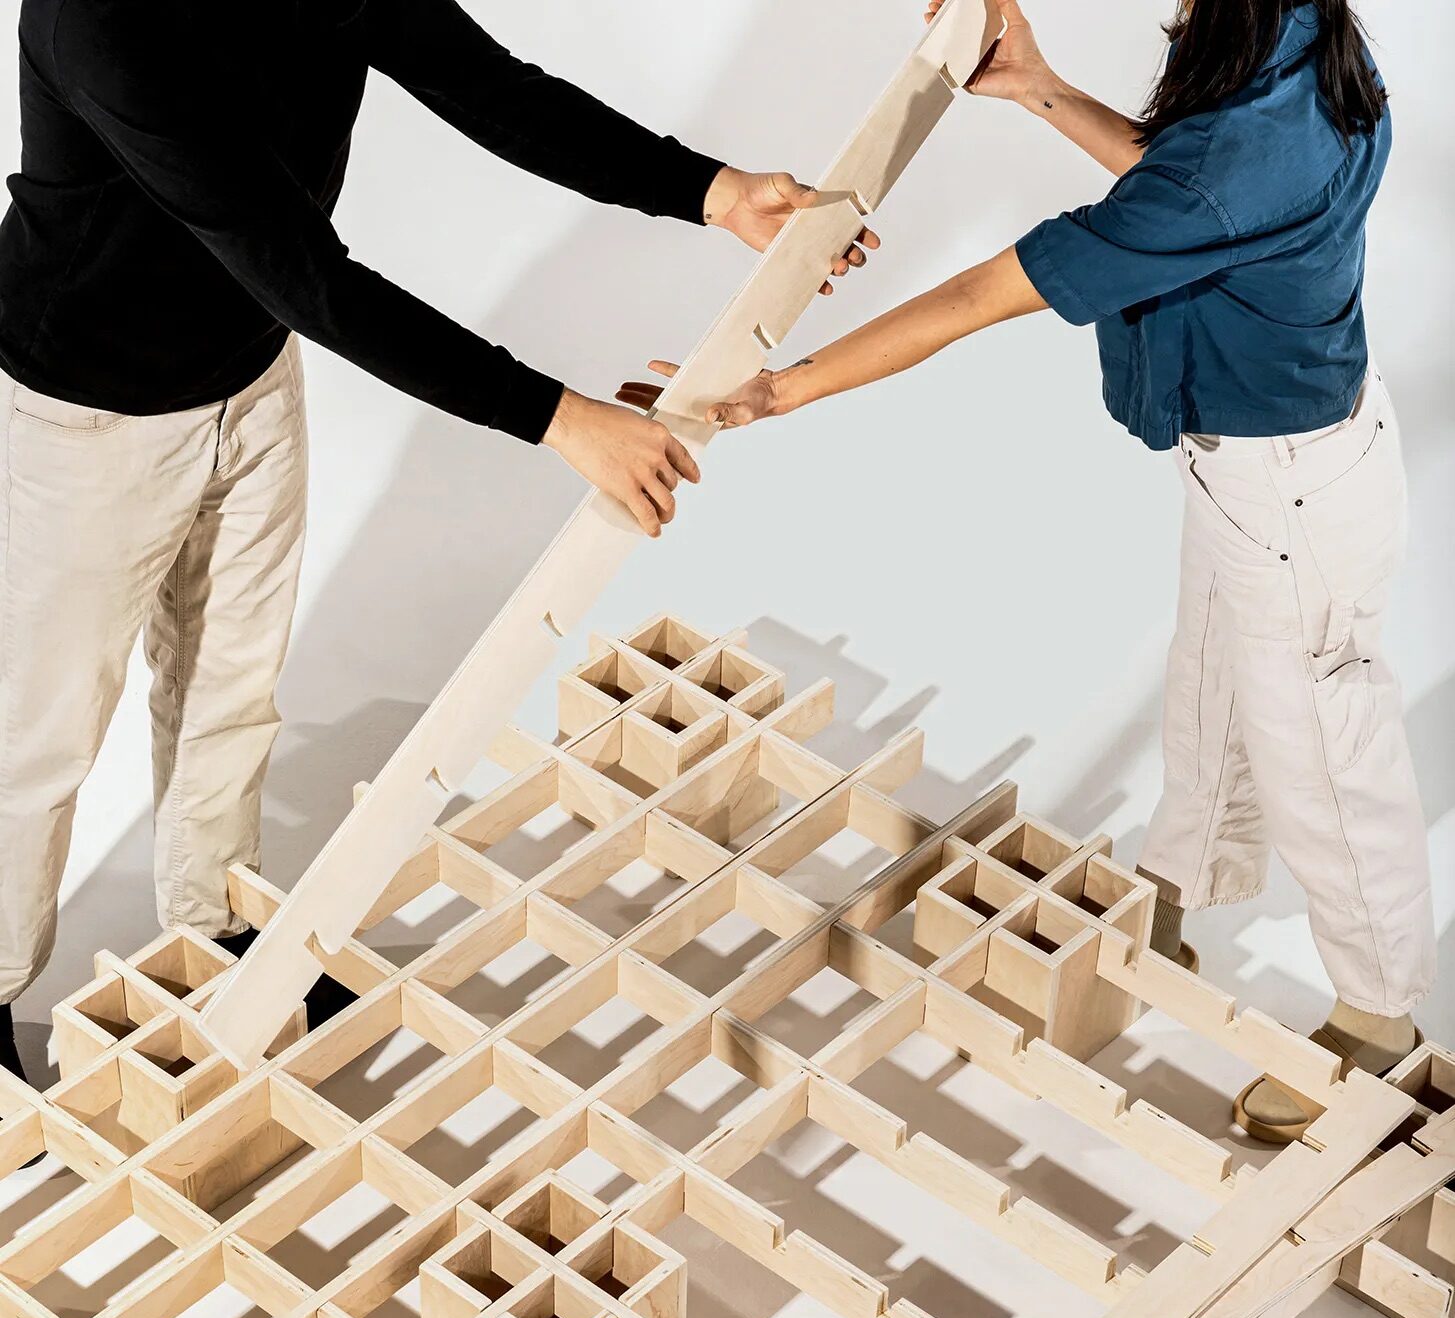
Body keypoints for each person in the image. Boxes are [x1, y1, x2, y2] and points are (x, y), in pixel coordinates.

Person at [0, 0, 877, 1084]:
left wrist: (709, 191)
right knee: (35, 740)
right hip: (85, 413)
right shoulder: (96, 22)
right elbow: (304, 272)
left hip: (250, 376)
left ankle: (219, 944)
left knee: (230, 691)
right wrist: (560, 417)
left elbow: (494, 91)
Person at [621, 0, 1435, 1144]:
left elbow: (976, 300)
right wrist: (1043, 88)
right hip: (1281, 468)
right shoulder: (1311, 47)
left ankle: (1379, 1018)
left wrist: (782, 386)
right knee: (1210, 687)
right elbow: (1185, 190)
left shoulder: (1235, 164)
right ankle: (1181, 893)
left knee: (1319, 749)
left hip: (1290, 491)